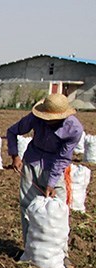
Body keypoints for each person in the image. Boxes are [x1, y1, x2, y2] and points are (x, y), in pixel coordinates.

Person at [6, 93, 84, 245]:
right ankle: (30, 248)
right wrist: (15, 156)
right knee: (27, 206)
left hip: (55, 166)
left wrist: (52, 182)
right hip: (31, 162)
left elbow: (62, 158)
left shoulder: (74, 129)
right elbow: (12, 131)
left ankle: (61, 252)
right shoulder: (35, 117)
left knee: (59, 209)